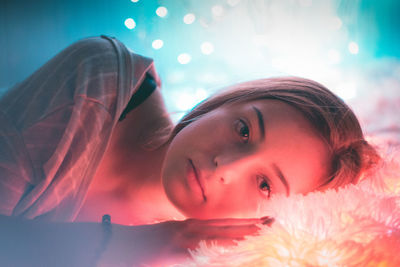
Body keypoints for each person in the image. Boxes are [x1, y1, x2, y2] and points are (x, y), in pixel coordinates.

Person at [0, 36, 379, 266]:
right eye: (244, 130)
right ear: (223, 103)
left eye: (264, 185)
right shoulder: (95, 84)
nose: (225, 167)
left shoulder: (203, 258)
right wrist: (138, 244)